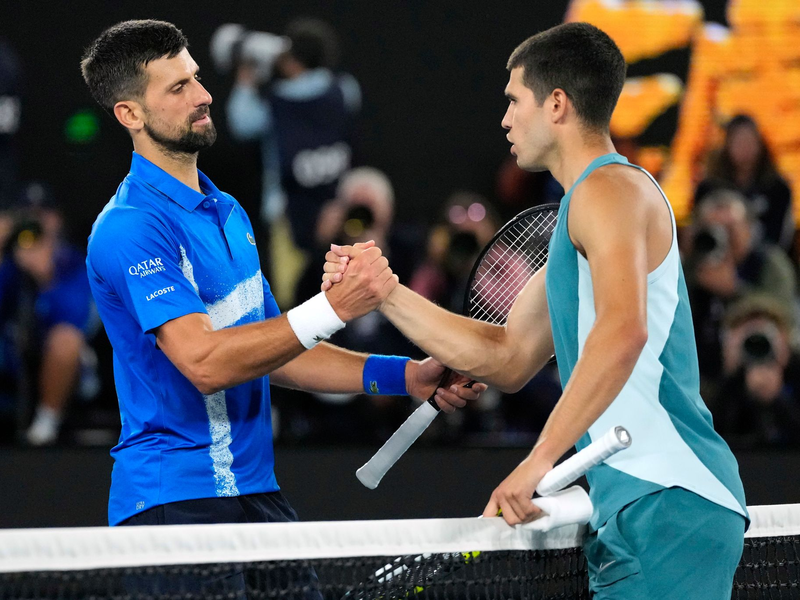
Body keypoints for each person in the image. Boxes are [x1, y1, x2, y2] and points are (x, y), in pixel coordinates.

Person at [324, 22, 747, 599]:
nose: (504, 120)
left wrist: (538, 461)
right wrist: (386, 292)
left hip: (666, 497)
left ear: (556, 104)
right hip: (639, 505)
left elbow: (623, 331)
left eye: (513, 101)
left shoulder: (610, 191)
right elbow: (507, 355)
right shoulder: (586, 210)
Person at [79, 18, 482, 566]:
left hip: (256, 496)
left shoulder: (228, 212)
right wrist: (333, 308)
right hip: (175, 504)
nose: (204, 96)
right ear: (130, 114)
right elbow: (205, 362)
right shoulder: (130, 227)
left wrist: (406, 375)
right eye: (178, 88)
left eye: (196, 77)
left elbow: (275, 351)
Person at [0, 182, 98, 445]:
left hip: (63, 361)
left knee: (66, 339)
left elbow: (78, 319)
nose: (35, 221)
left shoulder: (73, 261)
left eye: (43, 213)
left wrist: (46, 279)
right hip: (12, 355)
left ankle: (46, 425)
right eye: (27, 213)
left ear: (57, 219)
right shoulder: (9, 261)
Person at [684, 189, 795, 383]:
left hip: (752, 372)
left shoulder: (770, 263)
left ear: (749, 230)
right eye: (714, 229)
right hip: (697, 371)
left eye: (730, 229)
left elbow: (783, 318)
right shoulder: (690, 267)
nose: (723, 238)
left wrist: (734, 291)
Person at [695, 115, 794, 251]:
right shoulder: (709, 188)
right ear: (727, 145)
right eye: (739, 141)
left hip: (761, 259)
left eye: (749, 141)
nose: (745, 148)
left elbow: (779, 239)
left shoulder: (777, 189)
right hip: (715, 257)